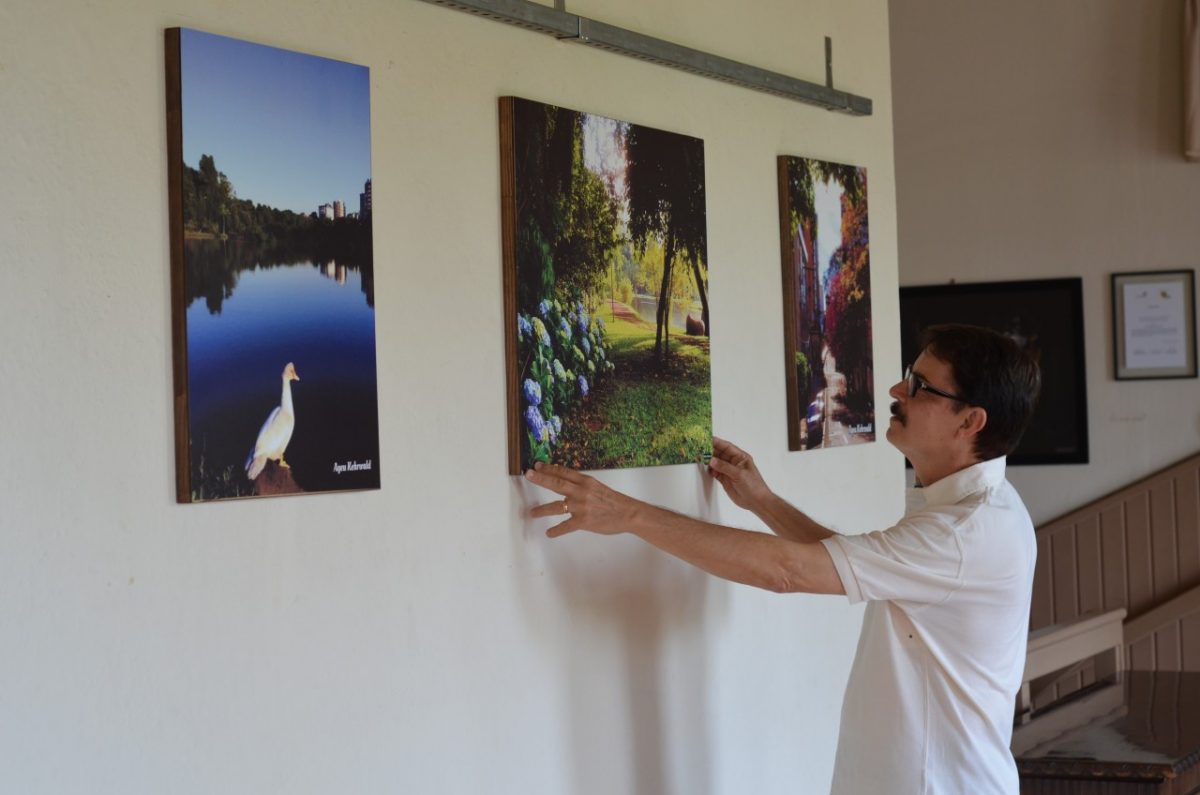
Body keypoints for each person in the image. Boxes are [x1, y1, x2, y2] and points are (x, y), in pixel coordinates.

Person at [525, 323, 1042, 795]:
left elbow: (788, 571)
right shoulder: (972, 514)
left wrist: (627, 513)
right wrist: (762, 501)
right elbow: (850, 561)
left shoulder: (962, 535)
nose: (896, 392)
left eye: (921, 386)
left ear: (970, 421)